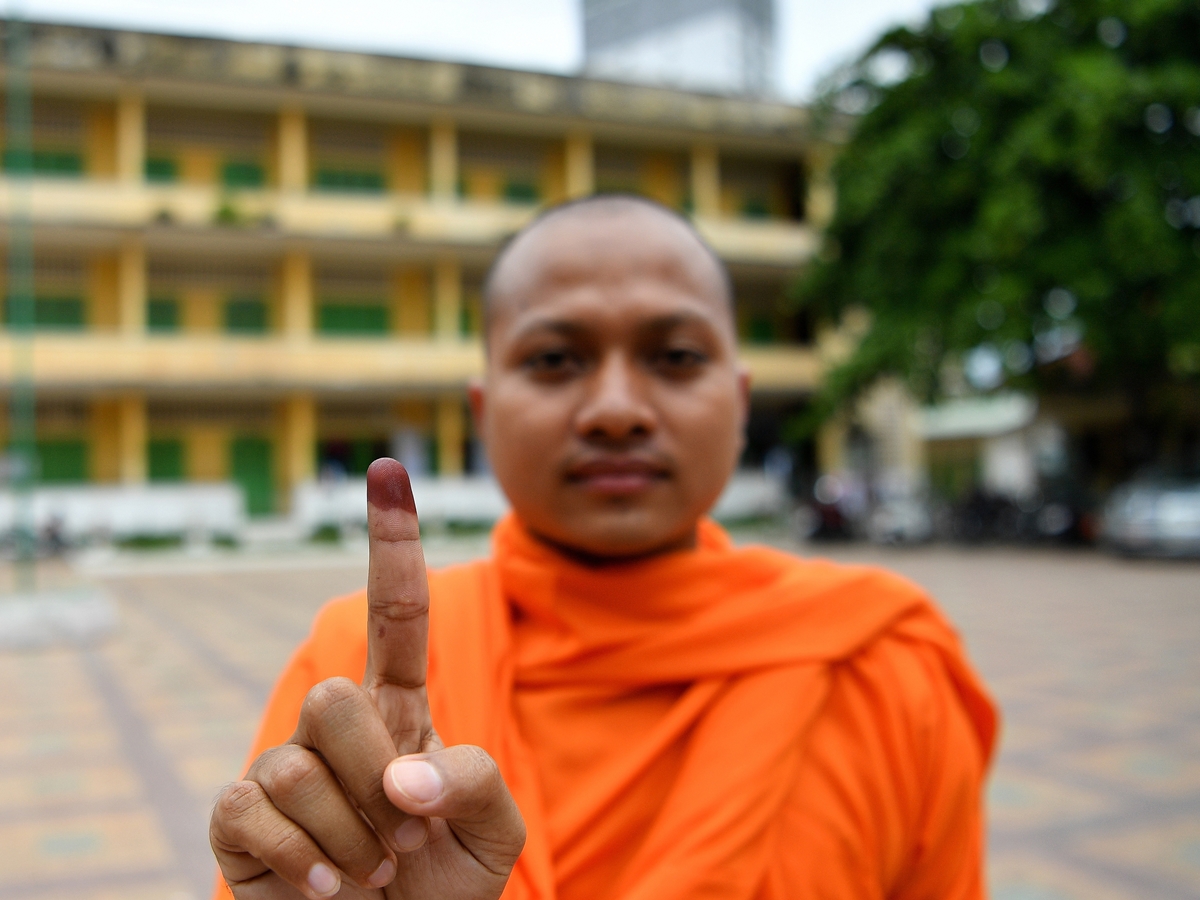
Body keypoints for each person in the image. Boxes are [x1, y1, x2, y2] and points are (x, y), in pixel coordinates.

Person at [209, 196, 997, 900]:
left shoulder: (882, 663)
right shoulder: (353, 672)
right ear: (485, 412)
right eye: (554, 360)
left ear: (740, 402)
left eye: (677, 357)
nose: (616, 410)